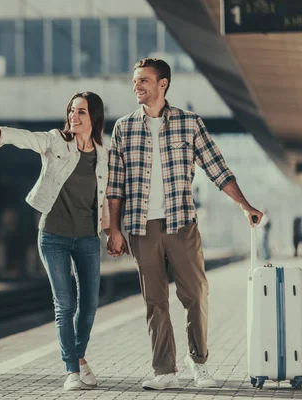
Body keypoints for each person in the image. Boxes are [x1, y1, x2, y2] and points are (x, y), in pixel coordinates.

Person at [105, 58, 263, 390]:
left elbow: (216, 168)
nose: (137, 86)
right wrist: (114, 229)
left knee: (196, 294)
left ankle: (200, 361)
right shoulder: (124, 127)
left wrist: (244, 206)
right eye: (135, 81)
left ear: (163, 84)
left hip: (181, 223)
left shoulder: (189, 123)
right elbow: (115, 185)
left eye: (144, 81)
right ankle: (164, 370)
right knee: (155, 301)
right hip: (140, 226)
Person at [0, 91, 110, 391]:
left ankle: (79, 358)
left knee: (89, 305)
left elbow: (108, 197)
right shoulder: (55, 141)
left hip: (89, 238)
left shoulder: (104, 154)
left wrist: (112, 230)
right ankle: (71, 371)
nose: (73, 117)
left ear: (94, 117)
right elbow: (24, 138)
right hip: (53, 236)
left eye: (80, 112)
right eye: (71, 111)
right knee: (65, 303)